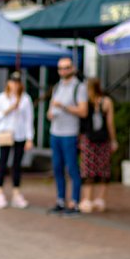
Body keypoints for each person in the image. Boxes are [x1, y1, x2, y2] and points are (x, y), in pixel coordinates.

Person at [46, 57, 87, 216]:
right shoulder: (57, 87)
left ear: (73, 68)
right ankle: (60, 200)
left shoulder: (79, 87)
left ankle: (75, 202)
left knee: (72, 168)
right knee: (57, 167)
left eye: (66, 67)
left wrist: (63, 107)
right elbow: (51, 108)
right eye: (60, 68)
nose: (63, 71)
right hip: (55, 131)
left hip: (69, 133)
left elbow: (83, 111)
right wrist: (50, 113)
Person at [0, 72, 34, 209]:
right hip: (5, 134)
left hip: (19, 135)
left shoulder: (25, 99)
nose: (15, 85)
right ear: (8, 83)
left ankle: (16, 194)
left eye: (17, 82)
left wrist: (29, 138)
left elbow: (29, 120)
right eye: (12, 82)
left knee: (17, 165)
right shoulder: (1, 98)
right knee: (2, 163)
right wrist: (10, 108)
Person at [78, 78, 117, 213]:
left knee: (89, 168)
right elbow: (110, 123)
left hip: (89, 139)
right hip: (103, 139)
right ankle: (100, 200)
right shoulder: (106, 102)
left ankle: (88, 200)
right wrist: (113, 140)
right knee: (103, 169)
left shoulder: (85, 102)